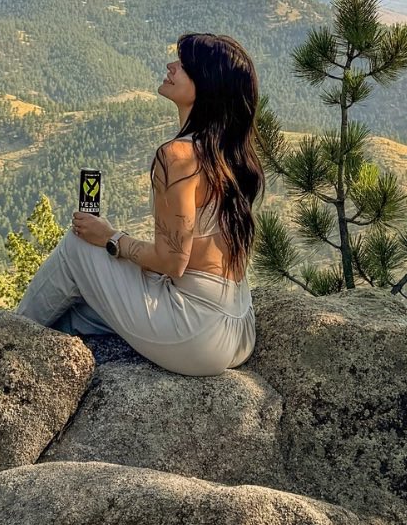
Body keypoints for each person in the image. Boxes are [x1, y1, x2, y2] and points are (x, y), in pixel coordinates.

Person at [16, 32, 262, 374]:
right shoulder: (230, 154)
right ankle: (53, 340)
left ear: (206, 84)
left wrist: (111, 239)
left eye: (183, 65)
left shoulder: (178, 156)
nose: (171, 66)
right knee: (78, 312)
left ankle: (5, 339)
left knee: (78, 244)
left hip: (197, 334)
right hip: (238, 327)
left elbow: (172, 261)